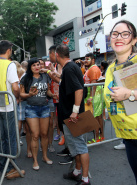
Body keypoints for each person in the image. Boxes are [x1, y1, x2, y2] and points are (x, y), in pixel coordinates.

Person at [104, 20, 137, 184]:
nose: (119, 37)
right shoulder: (111, 68)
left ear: (134, 40)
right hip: (128, 136)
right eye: (115, 34)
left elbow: (126, 95)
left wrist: (130, 93)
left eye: (125, 34)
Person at [0, 40, 25, 179]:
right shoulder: (9, 65)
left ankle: (3, 166)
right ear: (9, 50)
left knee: (0, 138)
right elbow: (15, 87)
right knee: (10, 138)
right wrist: (17, 97)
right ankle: (11, 169)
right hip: (7, 106)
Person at [56, 44, 90, 185]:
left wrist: (75, 112)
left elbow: (79, 90)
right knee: (75, 147)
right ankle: (76, 172)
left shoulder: (69, 68)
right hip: (70, 114)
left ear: (57, 55)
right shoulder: (71, 67)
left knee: (80, 147)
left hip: (73, 116)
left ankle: (85, 179)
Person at [20, 57, 56, 171]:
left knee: (44, 134)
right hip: (31, 109)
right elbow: (21, 95)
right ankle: (35, 160)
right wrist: (29, 94)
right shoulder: (26, 79)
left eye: (38, 65)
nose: (37, 67)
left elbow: (48, 90)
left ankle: (45, 156)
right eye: (34, 65)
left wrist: (52, 95)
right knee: (35, 135)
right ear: (30, 67)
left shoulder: (45, 76)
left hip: (44, 108)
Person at [83, 53, 103, 143]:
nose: (85, 60)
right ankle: (99, 137)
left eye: (88, 59)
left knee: (95, 117)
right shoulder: (90, 69)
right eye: (85, 59)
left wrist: (91, 97)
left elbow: (93, 85)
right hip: (94, 94)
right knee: (98, 117)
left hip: (95, 95)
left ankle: (98, 137)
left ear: (93, 60)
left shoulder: (93, 69)